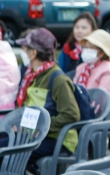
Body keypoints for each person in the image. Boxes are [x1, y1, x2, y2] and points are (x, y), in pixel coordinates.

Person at [17, 28, 82, 159]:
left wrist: (42, 127)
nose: (22, 53)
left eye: (24, 49)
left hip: (58, 139)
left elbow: (71, 115)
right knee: (0, 146)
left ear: (33, 53)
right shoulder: (32, 75)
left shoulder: (58, 79)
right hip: (35, 134)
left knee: (8, 152)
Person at [72, 30, 110, 118]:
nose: (87, 50)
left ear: (102, 52)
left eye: (91, 48)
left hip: (107, 116)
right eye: (85, 47)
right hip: (83, 111)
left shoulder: (108, 70)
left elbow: (102, 101)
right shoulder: (82, 67)